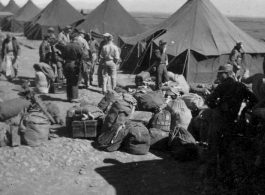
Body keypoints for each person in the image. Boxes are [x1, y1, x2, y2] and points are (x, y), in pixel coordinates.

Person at [203, 64, 257, 193]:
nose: (217, 76)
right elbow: (253, 99)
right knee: (226, 152)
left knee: (213, 150)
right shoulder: (240, 86)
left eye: (220, 73)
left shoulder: (222, 86)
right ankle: (227, 181)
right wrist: (243, 108)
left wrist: (218, 105)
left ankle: (212, 180)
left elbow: (209, 101)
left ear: (227, 74)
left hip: (219, 122)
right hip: (231, 123)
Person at [62, 32, 83, 103]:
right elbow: (81, 56)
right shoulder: (77, 46)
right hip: (74, 65)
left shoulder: (66, 46)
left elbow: (63, 56)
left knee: (68, 80)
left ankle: (69, 96)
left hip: (67, 64)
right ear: (76, 38)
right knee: (74, 81)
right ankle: (74, 98)